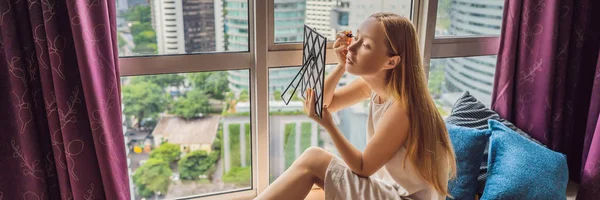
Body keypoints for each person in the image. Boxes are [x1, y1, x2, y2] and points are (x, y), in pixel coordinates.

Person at [256, 12, 456, 200]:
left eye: (366, 45)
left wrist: (330, 125)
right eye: (356, 37)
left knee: (314, 159)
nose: (351, 48)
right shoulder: (374, 86)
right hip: (389, 190)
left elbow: (362, 166)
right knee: (314, 174)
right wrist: (342, 65)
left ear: (391, 62)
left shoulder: (402, 108)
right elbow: (325, 103)